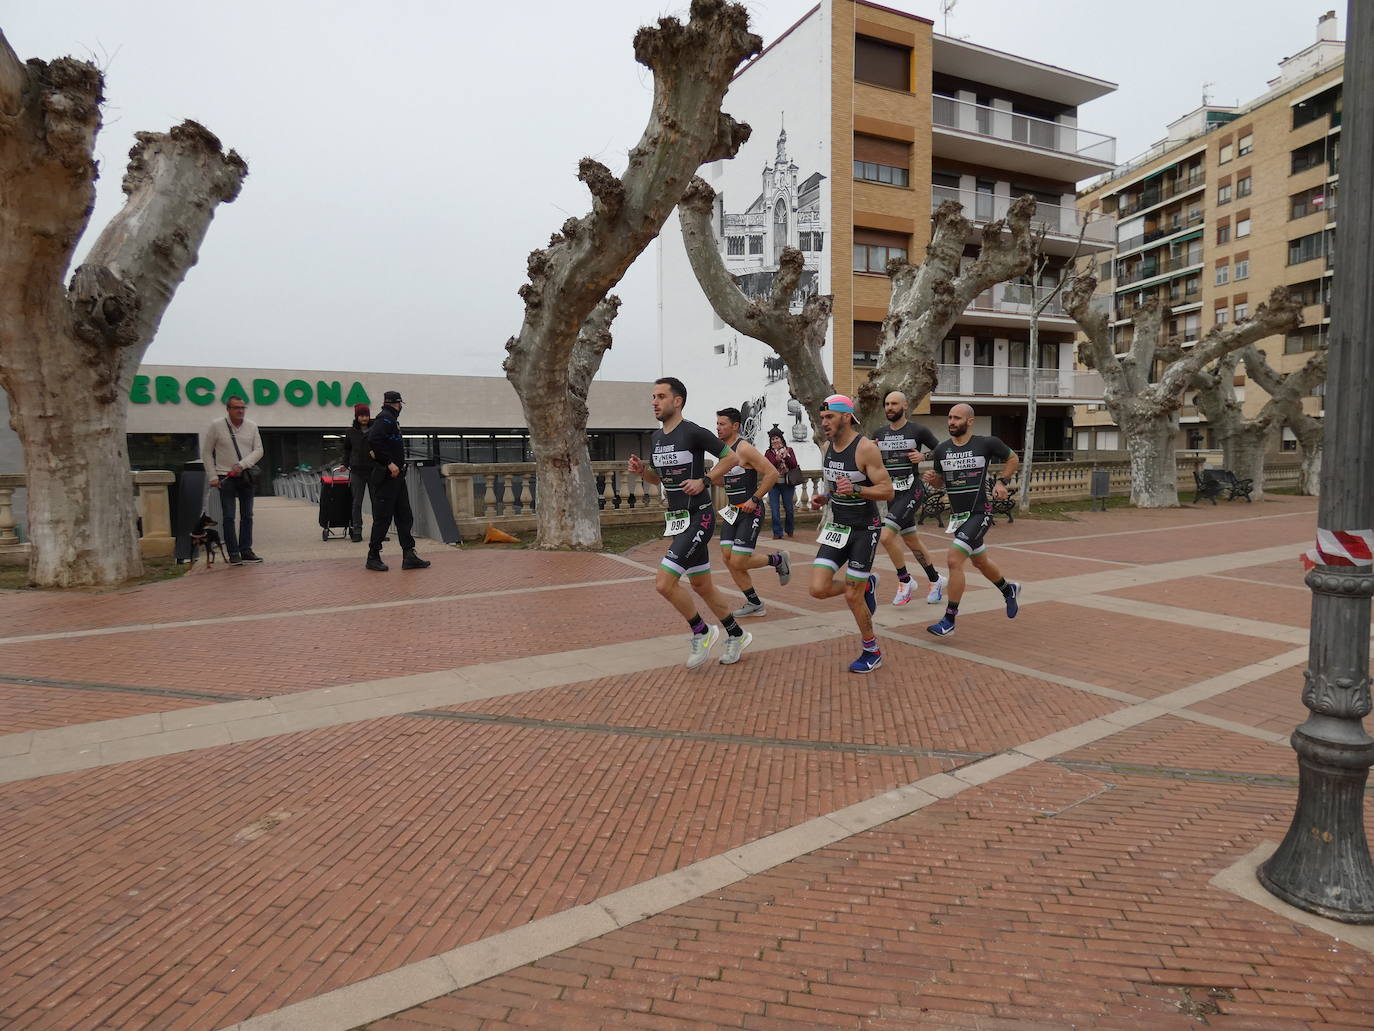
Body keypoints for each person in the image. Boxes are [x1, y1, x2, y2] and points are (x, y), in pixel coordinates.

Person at [627, 377, 752, 667]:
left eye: (660, 396)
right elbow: (660, 479)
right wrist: (643, 471)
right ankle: (736, 634)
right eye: (653, 397)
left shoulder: (693, 432)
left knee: (664, 583)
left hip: (700, 517)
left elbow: (731, 457)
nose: (654, 402)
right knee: (702, 585)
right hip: (677, 520)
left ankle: (702, 631)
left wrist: (704, 480)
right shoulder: (657, 438)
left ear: (677, 401)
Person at [807, 394, 893, 674]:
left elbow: (887, 490)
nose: (824, 423)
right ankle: (865, 585)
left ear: (846, 417)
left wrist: (857, 490)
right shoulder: (828, 446)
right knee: (818, 589)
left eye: (829, 417)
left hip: (864, 530)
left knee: (852, 597)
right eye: (822, 418)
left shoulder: (865, 448)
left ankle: (872, 650)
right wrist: (826, 496)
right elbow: (840, 483)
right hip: (838, 528)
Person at [922, 403, 1021, 637]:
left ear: (970, 421)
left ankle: (949, 620)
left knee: (954, 559)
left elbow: (1013, 458)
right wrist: (932, 479)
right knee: (981, 562)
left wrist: (1002, 482)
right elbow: (940, 483)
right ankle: (1009, 590)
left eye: (957, 418)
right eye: (949, 418)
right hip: (959, 517)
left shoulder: (986, 443)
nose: (951, 422)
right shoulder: (942, 450)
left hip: (981, 512)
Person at [874, 391, 947, 606]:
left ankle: (905, 581)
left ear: (905, 405)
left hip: (911, 490)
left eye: (894, 403)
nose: (889, 407)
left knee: (886, 536)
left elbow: (943, 450)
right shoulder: (880, 433)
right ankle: (935, 580)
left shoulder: (918, 430)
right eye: (887, 404)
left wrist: (924, 456)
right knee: (911, 540)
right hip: (891, 494)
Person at [714, 408, 789, 618]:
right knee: (728, 557)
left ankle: (778, 560)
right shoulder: (721, 450)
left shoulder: (744, 448)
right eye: (717, 424)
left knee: (738, 561)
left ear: (735, 426)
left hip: (751, 510)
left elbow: (772, 473)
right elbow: (725, 480)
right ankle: (755, 603)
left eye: (722, 424)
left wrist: (754, 499)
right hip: (732, 511)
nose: (718, 428)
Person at [364, 390, 431, 573]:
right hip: (387, 477)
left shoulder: (390, 419)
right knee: (383, 518)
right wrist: (389, 463)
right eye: (400, 404)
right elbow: (373, 439)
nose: (401, 407)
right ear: (397, 403)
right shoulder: (384, 418)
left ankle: (409, 555)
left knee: (404, 516)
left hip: (397, 478)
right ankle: (373, 557)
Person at [201, 395, 264, 565]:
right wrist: (213, 476)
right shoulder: (216, 426)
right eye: (237, 407)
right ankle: (233, 552)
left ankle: (246, 550)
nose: (240, 411)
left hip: (245, 475)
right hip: (225, 477)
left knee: (247, 515)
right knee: (228, 516)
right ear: (228, 409)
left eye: (243, 407)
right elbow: (206, 452)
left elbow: (259, 450)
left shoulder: (252, 426)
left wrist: (242, 465)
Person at [340, 402, 375, 543]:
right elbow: (347, 450)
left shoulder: (375, 429)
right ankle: (357, 531)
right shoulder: (350, 432)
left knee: (377, 502)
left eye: (366, 415)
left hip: (373, 470)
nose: (364, 418)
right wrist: (345, 463)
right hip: (357, 471)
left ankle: (378, 532)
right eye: (361, 415)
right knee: (357, 503)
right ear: (357, 417)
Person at [764, 426, 799, 539]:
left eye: (776, 438)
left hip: (787, 483)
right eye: (772, 439)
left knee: (789, 508)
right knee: (774, 509)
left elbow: (794, 464)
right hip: (773, 484)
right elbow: (766, 466)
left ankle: (790, 529)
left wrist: (786, 457)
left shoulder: (789, 450)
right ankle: (777, 532)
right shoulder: (768, 453)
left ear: (781, 439)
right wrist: (776, 459)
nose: (775, 441)